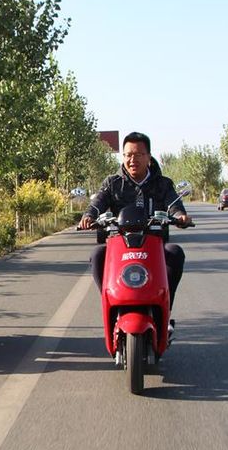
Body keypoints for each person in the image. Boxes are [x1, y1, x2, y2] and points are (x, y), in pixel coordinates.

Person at [78, 132, 193, 335]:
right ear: (123, 157)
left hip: (154, 245)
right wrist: (89, 216)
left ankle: (166, 310)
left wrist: (181, 216)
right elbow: (98, 203)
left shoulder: (162, 184)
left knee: (175, 252)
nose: (133, 159)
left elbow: (174, 204)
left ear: (148, 157)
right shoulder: (112, 183)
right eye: (128, 154)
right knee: (97, 254)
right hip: (118, 245)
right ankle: (110, 302)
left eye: (138, 154)